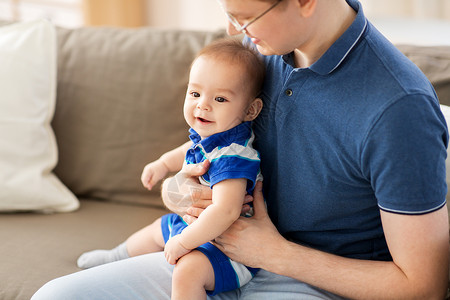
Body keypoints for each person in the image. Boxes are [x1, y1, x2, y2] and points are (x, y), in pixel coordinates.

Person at [32, 0, 449, 299]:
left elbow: (423, 286)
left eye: (245, 16)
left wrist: (275, 254)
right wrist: (182, 191)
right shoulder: (257, 52)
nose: (234, 30)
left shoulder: (399, 109)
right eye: (228, 13)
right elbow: (206, 158)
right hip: (218, 255)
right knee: (55, 295)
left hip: (316, 283)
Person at [76, 38, 265, 299]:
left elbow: (227, 210)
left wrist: (184, 243)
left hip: (229, 248)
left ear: (251, 110)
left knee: (187, 272)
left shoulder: (234, 157)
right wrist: (163, 164)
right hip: (199, 228)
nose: (203, 105)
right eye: (195, 93)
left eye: (220, 98)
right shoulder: (214, 136)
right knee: (157, 229)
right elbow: (189, 148)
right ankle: (115, 256)